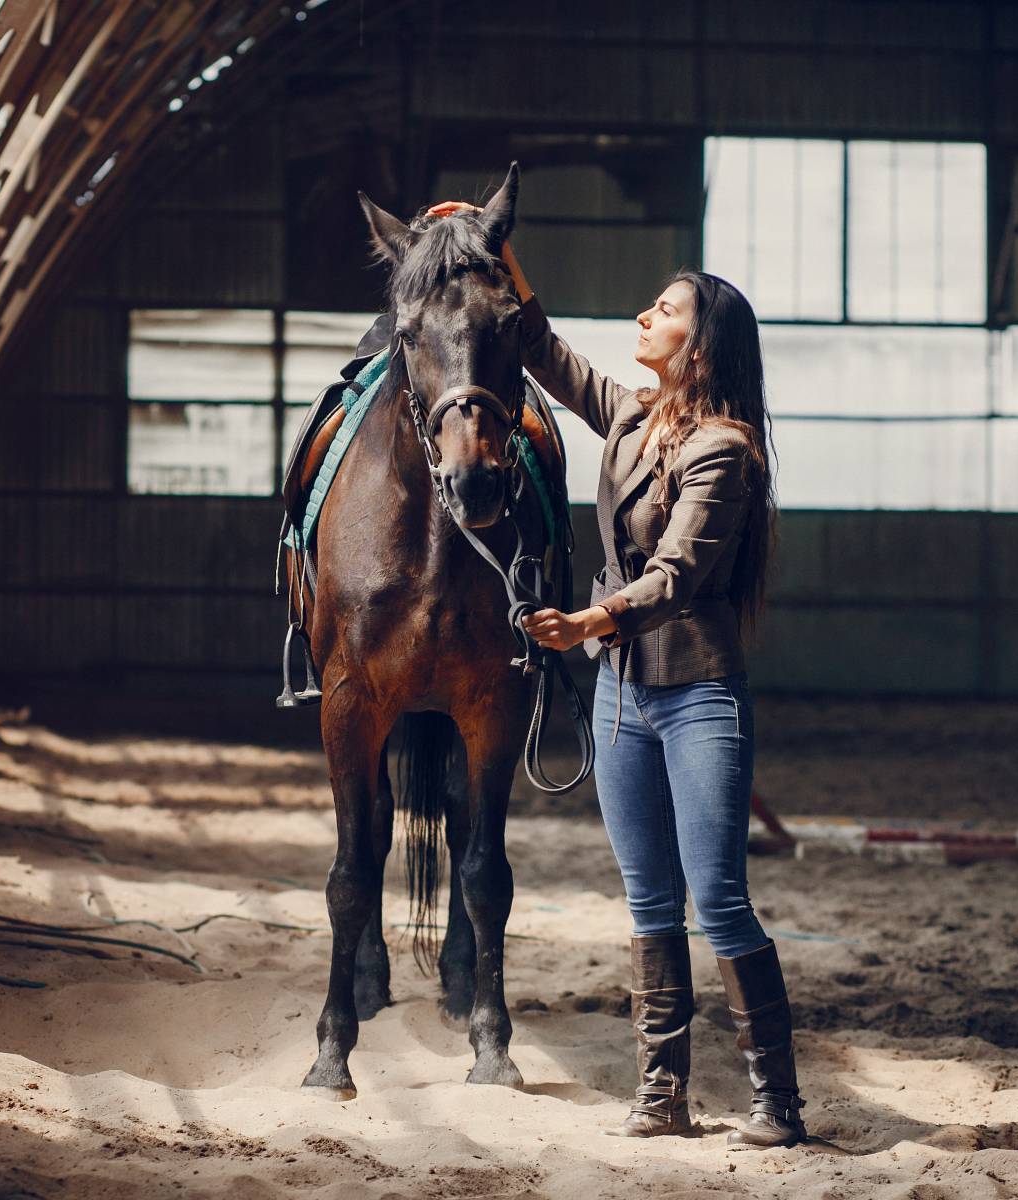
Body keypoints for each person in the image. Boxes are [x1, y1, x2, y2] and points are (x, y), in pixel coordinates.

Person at [426, 198, 803, 1148]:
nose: (644, 316)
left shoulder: (726, 452)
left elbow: (676, 575)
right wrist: (499, 252)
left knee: (718, 900)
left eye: (664, 310)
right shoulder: (634, 417)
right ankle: (663, 1092)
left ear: (700, 347)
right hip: (622, 696)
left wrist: (588, 622)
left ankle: (776, 1100)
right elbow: (546, 352)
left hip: (698, 695)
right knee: (647, 903)